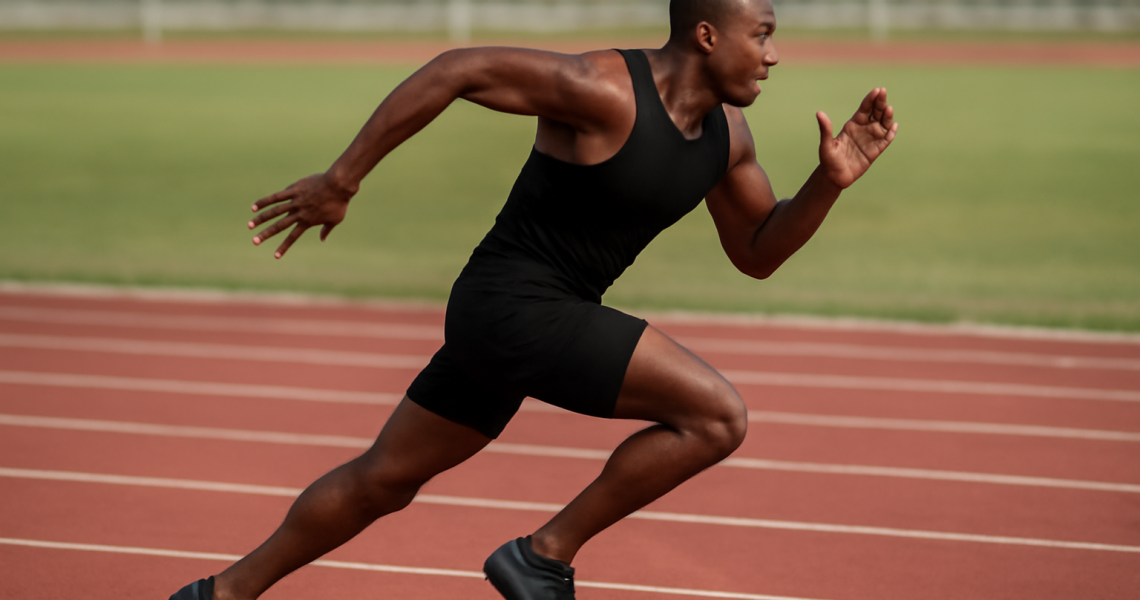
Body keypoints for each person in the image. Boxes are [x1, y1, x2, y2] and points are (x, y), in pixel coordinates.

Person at [171, 0, 896, 598]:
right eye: (763, 35)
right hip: (513, 304)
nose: (774, 55)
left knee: (383, 480)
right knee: (715, 416)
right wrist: (342, 178)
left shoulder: (726, 138)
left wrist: (827, 184)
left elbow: (758, 252)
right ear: (708, 35)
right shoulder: (604, 89)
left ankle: (220, 594)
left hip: (516, 319)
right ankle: (542, 555)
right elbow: (459, 69)